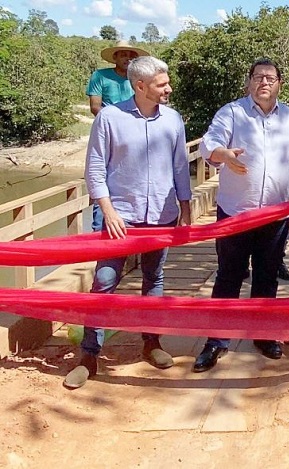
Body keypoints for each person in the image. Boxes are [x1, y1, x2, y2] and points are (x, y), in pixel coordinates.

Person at [192, 58, 289, 373]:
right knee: (228, 276)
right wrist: (222, 154)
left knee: (267, 277)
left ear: (280, 83)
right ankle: (216, 340)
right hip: (235, 214)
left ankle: (263, 334)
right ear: (249, 82)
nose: (264, 82)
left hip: (276, 215)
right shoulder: (232, 113)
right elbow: (209, 144)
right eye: (258, 77)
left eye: (270, 77)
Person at [64, 56, 192, 389]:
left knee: (155, 278)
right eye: (162, 84)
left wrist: (186, 207)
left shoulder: (173, 120)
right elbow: (95, 168)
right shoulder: (109, 118)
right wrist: (107, 210)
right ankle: (89, 355)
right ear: (140, 86)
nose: (169, 88)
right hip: (120, 217)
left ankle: (152, 343)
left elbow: (181, 166)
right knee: (105, 281)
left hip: (162, 216)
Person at [86, 40, 150, 232]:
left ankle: (136, 226)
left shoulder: (140, 80)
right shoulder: (100, 76)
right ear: (115, 57)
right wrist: (117, 120)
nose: (127, 58)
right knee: (101, 173)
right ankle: (101, 228)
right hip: (109, 133)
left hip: (138, 134)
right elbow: (95, 106)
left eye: (131, 55)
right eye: (123, 54)